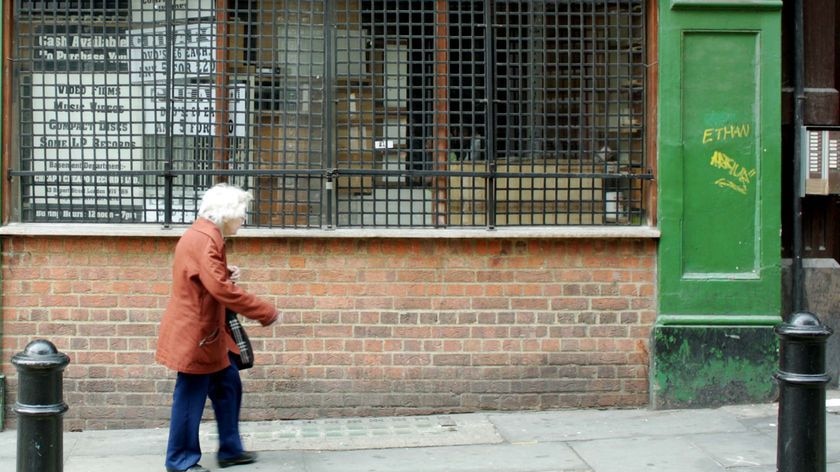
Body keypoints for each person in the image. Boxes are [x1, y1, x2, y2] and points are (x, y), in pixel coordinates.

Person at [156, 183, 278, 472]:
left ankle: (230, 450)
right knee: (189, 396)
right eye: (242, 213)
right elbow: (221, 290)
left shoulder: (204, 234)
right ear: (226, 213)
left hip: (207, 334)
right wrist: (265, 311)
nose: (244, 219)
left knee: (228, 383)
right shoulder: (207, 240)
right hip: (198, 336)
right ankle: (180, 462)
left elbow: (204, 278)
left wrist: (223, 271)